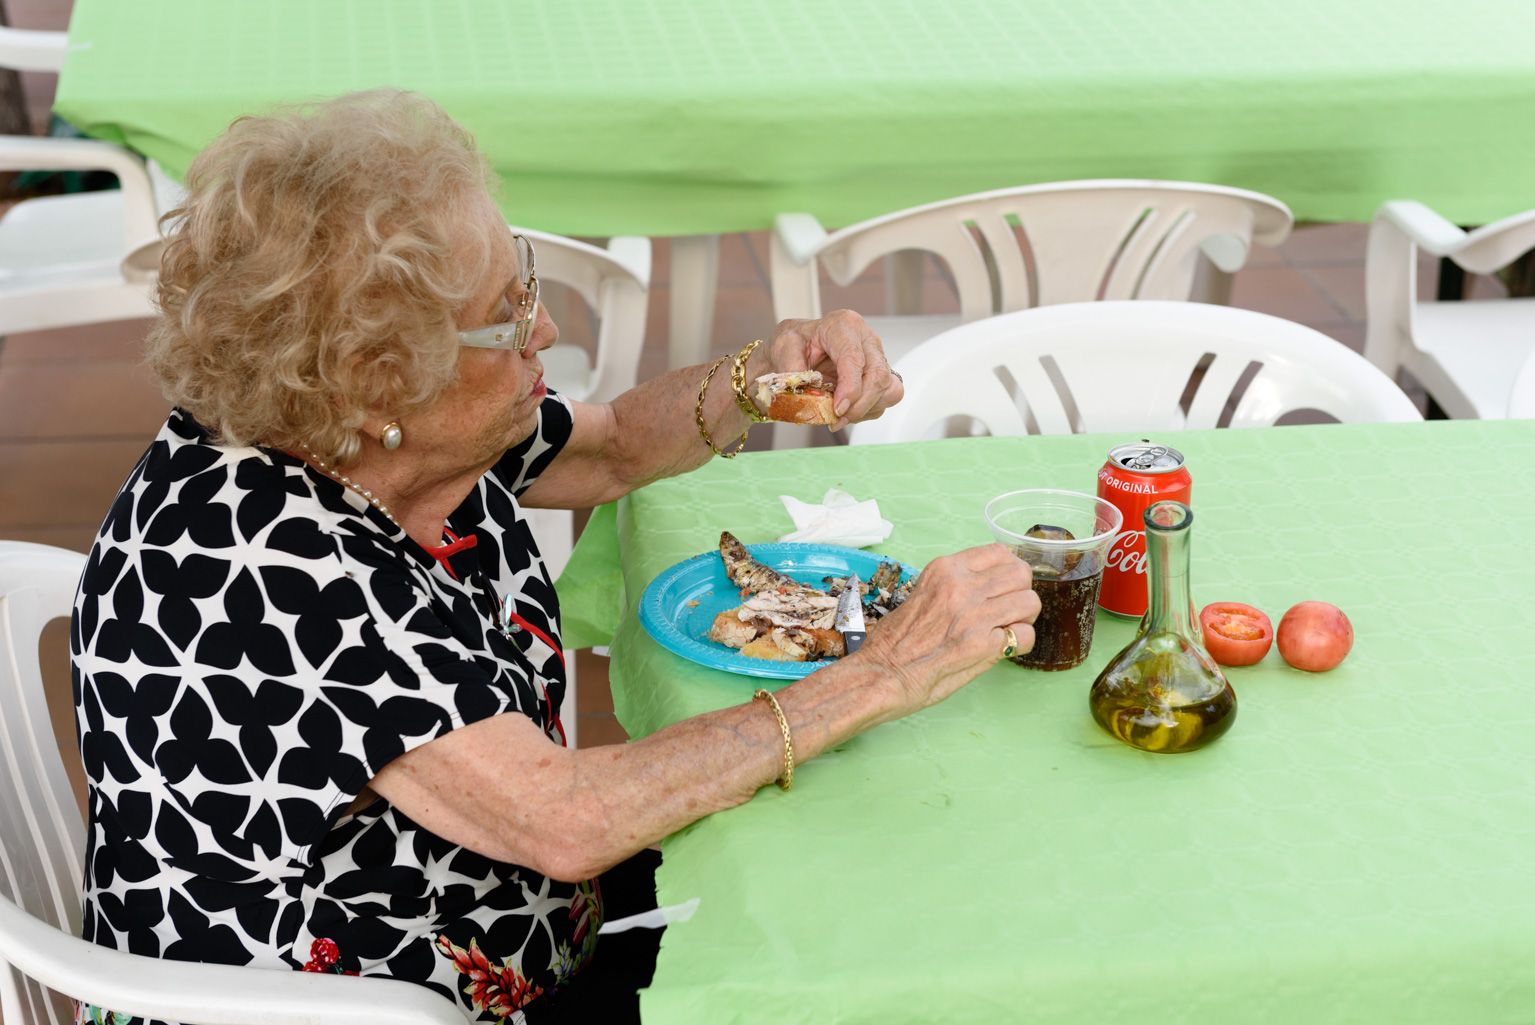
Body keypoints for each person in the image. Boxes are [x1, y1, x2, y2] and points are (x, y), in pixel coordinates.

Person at [71, 90, 1040, 1024]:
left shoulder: (372, 434)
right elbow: (566, 819)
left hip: (498, 926)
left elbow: (617, 441)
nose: (546, 327)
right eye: (506, 312)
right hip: (355, 1003)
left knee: (837, 883)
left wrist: (765, 382)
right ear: (379, 384)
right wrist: (889, 668)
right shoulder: (269, 572)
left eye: (525, 275)